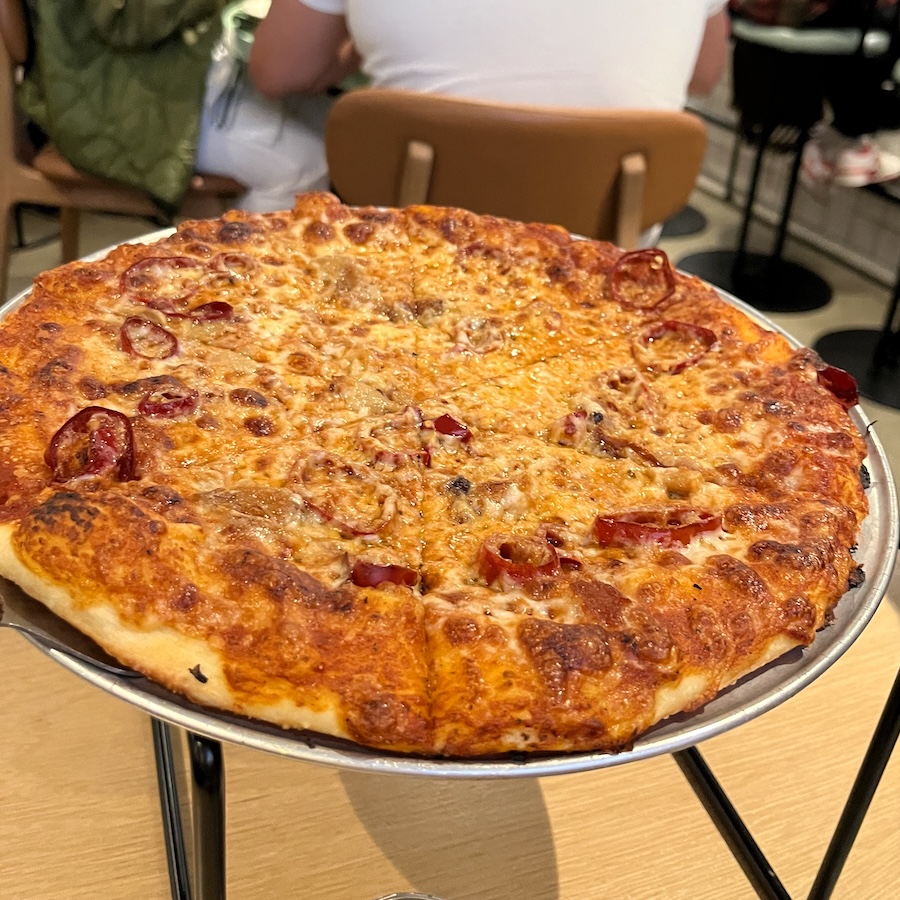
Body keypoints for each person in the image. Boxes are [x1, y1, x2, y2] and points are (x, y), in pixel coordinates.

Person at [248, 1, 729, 139]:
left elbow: (278, 72)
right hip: (613, 258)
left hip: (401, 257)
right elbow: (704, 78)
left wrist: (359, 40)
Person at [729, 0, 900, 186]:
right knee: (878, 31)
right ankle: (843, 143)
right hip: (798, 55)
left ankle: (840, 143)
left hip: (765, 64)